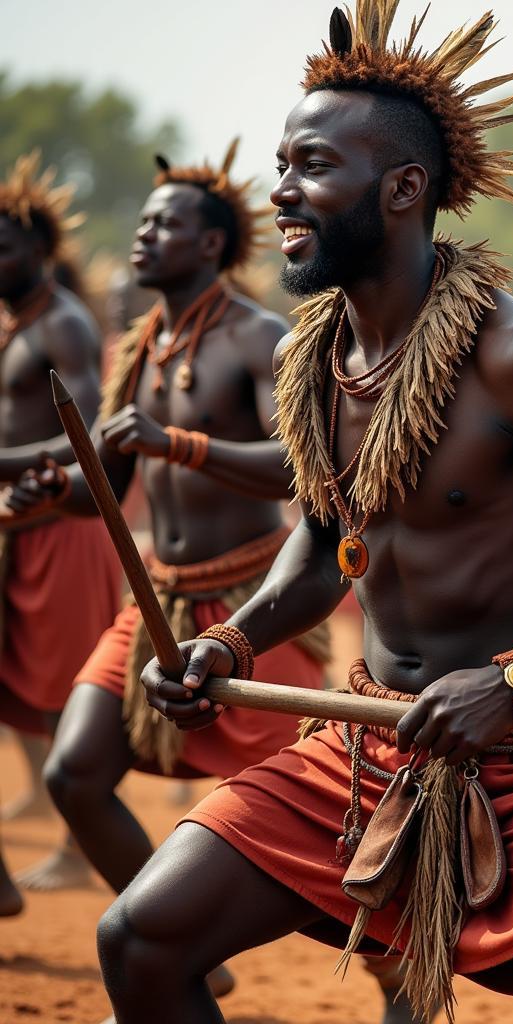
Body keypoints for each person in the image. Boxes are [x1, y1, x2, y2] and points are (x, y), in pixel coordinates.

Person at [96, 5, 513, 1023]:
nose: (281, 190)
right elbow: (324, 543)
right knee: (138, 938)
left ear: (403, 189)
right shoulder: (311, 357)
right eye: (280, 161)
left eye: (310, 165)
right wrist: (231, 639)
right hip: (359, 748)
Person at [6, 142, 331, 998]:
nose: (142, 236)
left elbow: (303, 467)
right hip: (153, 598)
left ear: (214, 246)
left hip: (254, 605)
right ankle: (185, 949)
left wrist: (178, 442)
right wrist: (50, 491)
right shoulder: (137, 349)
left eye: (165, 224)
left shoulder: (260, 337)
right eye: (143, 222)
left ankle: (394, 972)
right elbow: (105, 490)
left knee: (312, 818)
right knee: (73, 773)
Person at [0, 152, 122, 914]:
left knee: (64, 687)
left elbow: (93, 434)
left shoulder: (67, 325)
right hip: (16, 525)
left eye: (6, 247)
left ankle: (82, 846)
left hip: (63, 526)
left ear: (41, 251)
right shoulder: (18, 324)